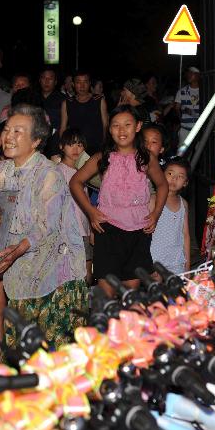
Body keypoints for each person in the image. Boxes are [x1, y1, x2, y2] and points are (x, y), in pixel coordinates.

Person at [0, 103, 88, 347]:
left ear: (36, 140)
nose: (8, 136)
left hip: (56, 278)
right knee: (22, 354)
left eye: (18, 131)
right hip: (18, 278)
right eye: (7, 130)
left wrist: (17, 250)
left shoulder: (49, 173)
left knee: (56, 360)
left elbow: (46, 226)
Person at [70, 105, 168, 291]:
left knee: (129, 293)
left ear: (138, 126)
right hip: (107, 230)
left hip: (139, 232)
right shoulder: (103, 157)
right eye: (115, 125)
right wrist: (91, 212)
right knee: (106, 292)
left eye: (127, 124)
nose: (121, 130)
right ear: (109, 128)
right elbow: (75, 182)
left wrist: (155, 214)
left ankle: (127, 320)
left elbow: (163, 185)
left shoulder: (146, 159)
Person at [57, 128, 93, 283]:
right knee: (66, 272)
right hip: (65, 231)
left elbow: (87, 203)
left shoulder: (85, 173)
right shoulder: (56, 171)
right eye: (71, 144)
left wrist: (91, 229)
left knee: (86, 271)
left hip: (83, 229)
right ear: (61, 147)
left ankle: (85, 305)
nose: (76, 149)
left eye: (79, 145)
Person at [150, 156, 191, 272]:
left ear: (185, 183)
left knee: (177, 290)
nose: (174, 179)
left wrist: (187, 265)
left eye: (180, 177)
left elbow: (186, 235)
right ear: (161, 175)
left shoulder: (184, 204)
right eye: (170, 174)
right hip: (155, 258)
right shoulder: (153, 200)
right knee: (156, 289)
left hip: (176, 260)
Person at [60, 71, 109, 155]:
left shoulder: (99, 100)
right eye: (78, 82)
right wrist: (62, 146)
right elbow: (63, 127)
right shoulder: (67, 103)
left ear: (89, 83)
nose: (82, 86)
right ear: (73, 84)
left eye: (85, 82)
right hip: (76, 148)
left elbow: (106, 125)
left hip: (97, 147)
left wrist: (105, 145)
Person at [171, 66, 202, 144]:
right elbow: (176, 108)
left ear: (198, 75)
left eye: (192, 73)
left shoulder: (204, 91)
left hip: (200, 130)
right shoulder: (181, 91)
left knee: (199, 152)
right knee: (183, 154)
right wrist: (181, 119)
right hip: (185, 130)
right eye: (188, 73)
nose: (189, 75)